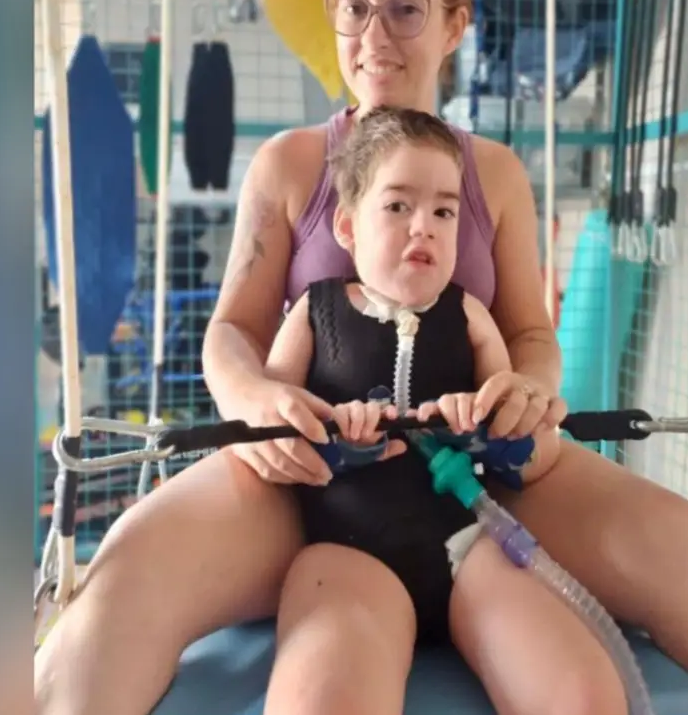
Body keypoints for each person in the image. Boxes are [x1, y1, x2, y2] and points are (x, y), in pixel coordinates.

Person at [34, 0, 688, 715]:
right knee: (126, 570)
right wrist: (259, 401)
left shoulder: (494, 175)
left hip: (481, 477)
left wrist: (527, 389)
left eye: (403, 8)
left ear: (455, 24)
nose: (373, 33)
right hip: (308, 481)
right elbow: (232, 332)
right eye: (354, 6)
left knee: (682, 543)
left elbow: (530, 332)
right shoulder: (290, 165)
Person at [261, 105, 621, 714]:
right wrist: (333, 436)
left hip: (470, 547)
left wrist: (482, 422)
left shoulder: (471, 316)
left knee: (581, 696)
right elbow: (272, 432)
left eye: (444, 212)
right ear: (346, 226)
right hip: (346, 554)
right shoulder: (314, 314)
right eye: (398, 206)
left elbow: (519, 448)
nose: (423, 227)